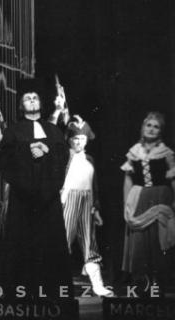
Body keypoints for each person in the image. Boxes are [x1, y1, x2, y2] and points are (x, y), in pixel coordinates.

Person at [0, 92, 72, 297]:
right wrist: (28, 148)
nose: (31, 100)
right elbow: (5, 158)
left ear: (41, 103)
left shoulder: (53, 130)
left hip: (48, 200)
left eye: (35, 97)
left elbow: (63, 156)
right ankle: (19, 294)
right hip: (22, 199)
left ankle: (51, 294)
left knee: (49, 245)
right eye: (27, 98)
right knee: (21, 244)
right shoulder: (13, 130)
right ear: (21, 106)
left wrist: (46, 150)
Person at [121, 112, 175, 290]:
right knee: (140, 242)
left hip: (160, 198)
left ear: (161, 131)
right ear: (143, 127)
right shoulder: (134, 151)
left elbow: (173, 179)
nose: (151, 129)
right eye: (148, 125)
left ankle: (159, 283)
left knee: (159, 240)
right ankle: (142, 283)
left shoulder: (166, 153)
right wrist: (126, 203)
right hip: (140, 199)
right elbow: (128, 179)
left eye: (156, 126)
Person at [61, 121, 112, 296]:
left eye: (82, 138)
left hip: (87, 202)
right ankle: (54, 284)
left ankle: (98, 285)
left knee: (90, 244)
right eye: (75, 138)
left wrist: (96, 208)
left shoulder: (90, 159)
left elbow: (93, 185)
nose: (78, 142)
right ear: (69, 139)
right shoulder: (65, 156)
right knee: (62, 243)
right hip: (67, 200)